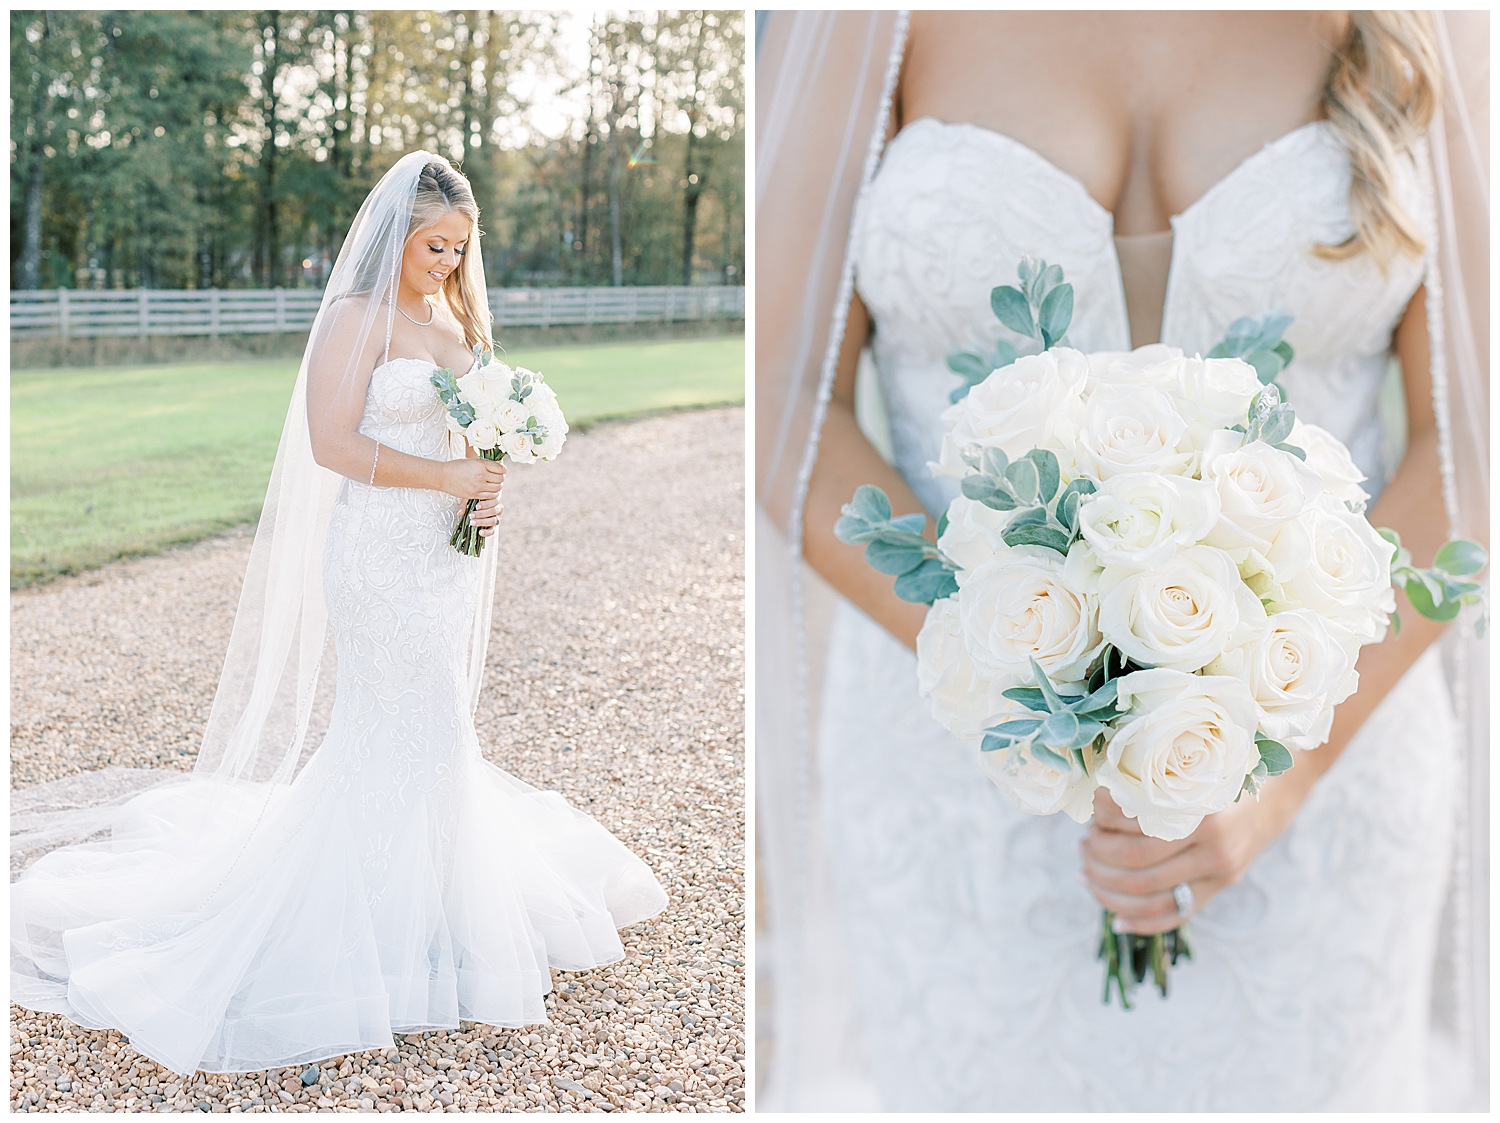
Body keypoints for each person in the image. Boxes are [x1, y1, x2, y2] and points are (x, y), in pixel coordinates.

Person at [756, 11, 1487, 1111]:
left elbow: (1477, 435)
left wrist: (1279, 775)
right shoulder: (873, 19)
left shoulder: (1423, 19)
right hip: (954, 781)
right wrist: (1021, 665)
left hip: (1329, 760)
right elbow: (778, 402)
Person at [11, 152, 668, 1077]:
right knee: (408, 719)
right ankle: (373, 928)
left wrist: (485, 487)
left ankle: (429, 909)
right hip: (376, 557)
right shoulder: (354, 319)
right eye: (434, 245)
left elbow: (473, 432)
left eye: (459, 247)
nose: (446, 261)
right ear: (396, 235)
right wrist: (444, 475)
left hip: (442, 556)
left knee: (437, 728)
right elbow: (331, 440)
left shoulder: (453, 316)